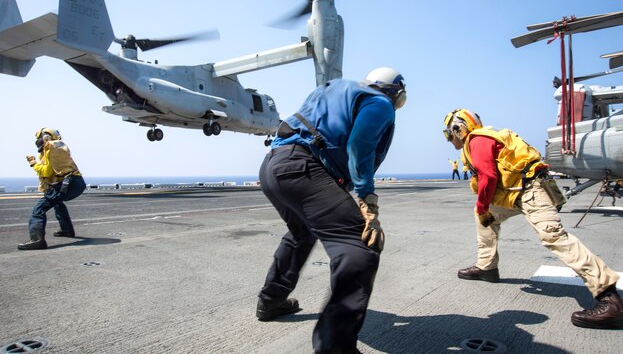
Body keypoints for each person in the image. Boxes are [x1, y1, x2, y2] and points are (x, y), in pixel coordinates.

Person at [257, 67, 406, 353]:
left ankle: (271, 300)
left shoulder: (335, 88)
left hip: (272, 166)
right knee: (360, 249)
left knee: (301, 233)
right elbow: (359, 147)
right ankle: (334, 348)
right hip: (302, 169)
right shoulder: (380, 103)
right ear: (396, 93)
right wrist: (367, 201)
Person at [443, 108, 623, 329]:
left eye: (448, 134)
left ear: (458, 129)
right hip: (515, 193)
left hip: (530, 192)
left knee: (554, 237)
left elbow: (488, 177)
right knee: (486, 219)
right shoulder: (482, 139)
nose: (449, 139)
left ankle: (609, 297)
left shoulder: (476, 140)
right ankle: (486, 267)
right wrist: (484, 211)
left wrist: (482, 207)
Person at [18, 127, 86, 250]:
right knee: (57, 203)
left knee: (38, 209)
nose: (38, 142)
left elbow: (46, 172)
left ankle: (37, 240)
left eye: (40, 139)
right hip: (77, 182)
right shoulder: (59, 148)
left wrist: (33, 163)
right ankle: (66, 230)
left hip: (67, 184)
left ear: (46, 138)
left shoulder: (50, 150)